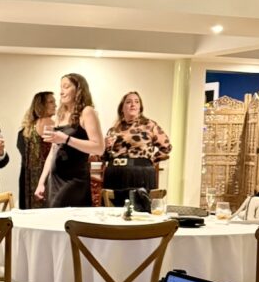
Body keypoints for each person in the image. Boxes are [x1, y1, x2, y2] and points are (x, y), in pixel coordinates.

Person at [35, 73, 104, 207]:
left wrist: (66, 139)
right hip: (55, 180)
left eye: (66, 87)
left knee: (66, 219)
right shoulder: (61, 115)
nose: (61, 92)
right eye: (60, 87)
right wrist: (42, 181)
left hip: (74, 179)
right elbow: (53, 151)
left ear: (78, 90)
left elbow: (99, 147)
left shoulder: (87, 112)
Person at [102, 91, 172, 206]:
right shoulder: (114, 129)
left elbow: (166, 147)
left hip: (140, 173)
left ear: (140, 107)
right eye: (128, 102)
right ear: (122, 108)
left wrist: (150, 161)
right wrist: (105, 147)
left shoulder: (150, 125)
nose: (133, 104)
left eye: (136, 102)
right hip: (114, 174)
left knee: (139, 212)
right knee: (113, 214)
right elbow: (104, 157)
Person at [17, 91, 56, 209]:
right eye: (51, 102)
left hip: (27, 179)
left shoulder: (26, 129)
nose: (55, 105)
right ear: (41, 105)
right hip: (47, 177)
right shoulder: (50, 123)